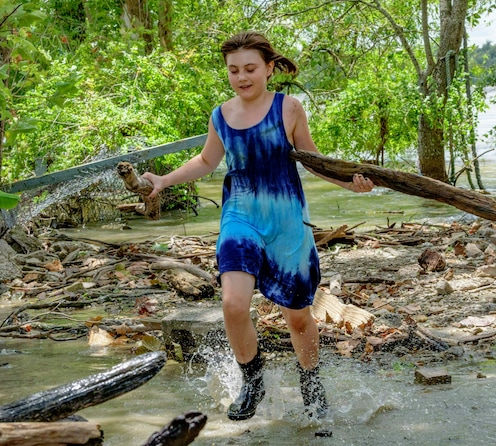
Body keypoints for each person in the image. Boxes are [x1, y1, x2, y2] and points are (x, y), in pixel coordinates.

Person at [142, 31, 374, 422]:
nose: (241, 77)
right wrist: (164, 180)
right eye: (233, 70)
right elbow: (206, 162)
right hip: (241, 216)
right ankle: (253, 379)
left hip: (286, 223)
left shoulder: (289, 108)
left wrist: (351, 182)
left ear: (269, 68)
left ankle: (312, 384)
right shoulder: (221, 115)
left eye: (250, 68)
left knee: (298, 318)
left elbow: (313, 160)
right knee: (233, 304)